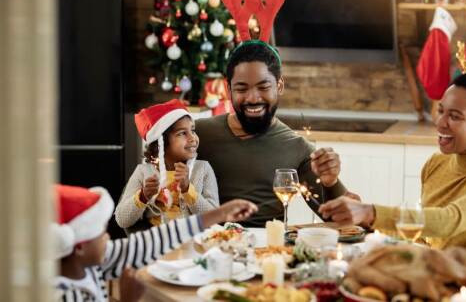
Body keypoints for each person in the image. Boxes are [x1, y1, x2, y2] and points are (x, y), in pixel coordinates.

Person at [319, 51, 466, 275]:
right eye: (441, 111)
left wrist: (370, 212)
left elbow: (449, 220)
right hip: (434, 281)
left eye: (455, 116)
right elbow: (425, 232)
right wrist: (369, 222)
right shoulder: (437, 164)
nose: (440, 123)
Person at [195, 41, 350, 227]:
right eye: (242, 89)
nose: (253, 98)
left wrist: (331, 182)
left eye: (263, 87)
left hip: (268, 250)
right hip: (206, 248)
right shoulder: (197, 134)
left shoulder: (297, 147)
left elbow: (342, 220)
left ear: (280, 86)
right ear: (229, 91)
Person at [53, 184, 257, 301]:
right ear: (78, 246)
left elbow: (147, 242)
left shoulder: (90, 264)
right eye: (101, 232)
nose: (108, 237)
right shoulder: (61, 295)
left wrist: (218, 214)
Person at [115, 99, 219, 234]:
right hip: (157, 245)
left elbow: (215, 217)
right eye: (182, 133)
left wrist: (188, 189)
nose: (193, 138)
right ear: (161, 142)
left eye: (192, 130)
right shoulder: (143, 172)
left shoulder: (203, 169)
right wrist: (143, 196)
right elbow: (122, 220)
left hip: (195, 241)